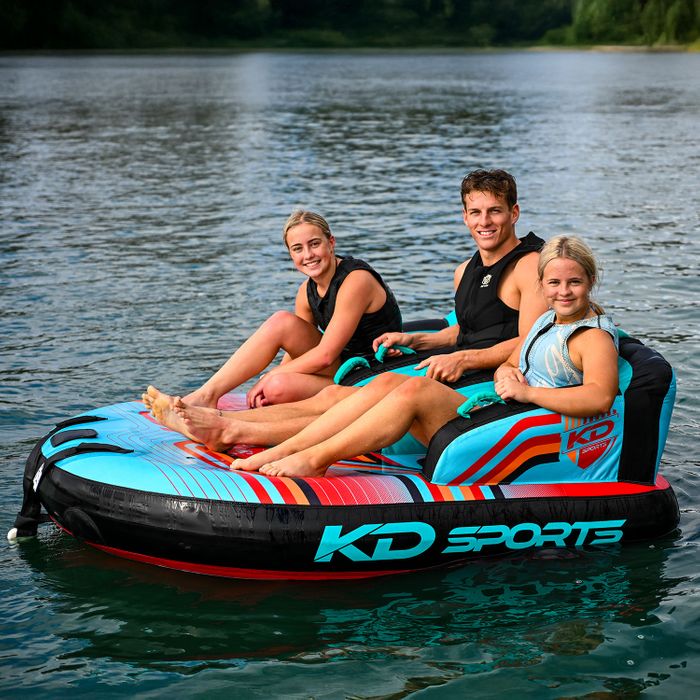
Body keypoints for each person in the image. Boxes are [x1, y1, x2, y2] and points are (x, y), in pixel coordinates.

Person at [145, 169, 548, 448]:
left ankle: (230, 430)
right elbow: (465, 329)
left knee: (341, 399)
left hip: (483, 378)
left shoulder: (530, 265)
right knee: (327, 392)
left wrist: (463, 357)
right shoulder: (465, 270)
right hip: (451, 366)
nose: (484, 221)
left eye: (494, 211)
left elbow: (529, 343)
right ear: (464, 217)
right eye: (475, 212)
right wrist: (416, 339)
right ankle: (217, 418)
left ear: (514, 213)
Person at [224, 235, 618, 478]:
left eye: (574, 282)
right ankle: (286, 448)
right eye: (554, 282)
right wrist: (508, 373)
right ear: (542, 285)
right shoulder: (547, 321)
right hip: (505, 409)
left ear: (591, 281)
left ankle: (315, 458)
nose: (563, 291)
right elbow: (514, 360)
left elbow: (599, 399)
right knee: (390, 382)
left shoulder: (592, 338)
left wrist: (527, 392)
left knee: (412, 391)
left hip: (527, 428)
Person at [144, 209, 402, 410]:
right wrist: (272, 374)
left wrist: (271, 376)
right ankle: (207, 395)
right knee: (282, 322)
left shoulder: (356, 280)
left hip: (369, 369)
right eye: (298, 249)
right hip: (341, 365)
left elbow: (324, 356)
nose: (308, 255)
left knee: (277, 386)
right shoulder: (306, 291)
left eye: (314, 244)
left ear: (331, 242)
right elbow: (295, 349)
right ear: (291, 254)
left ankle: (223, 413)